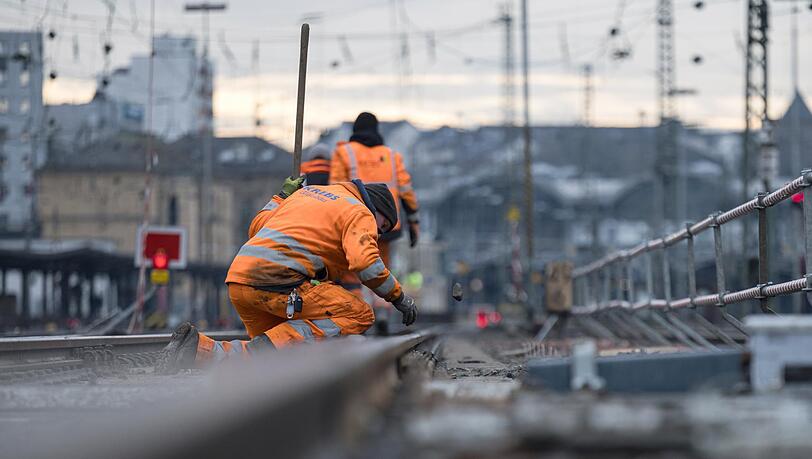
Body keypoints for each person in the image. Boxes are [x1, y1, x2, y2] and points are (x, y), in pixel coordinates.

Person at [161, 177, 418, 370]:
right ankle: (219, 354)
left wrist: (281, 196)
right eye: (381, 227)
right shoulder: (359, 211)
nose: (378, 233)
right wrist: (398, 297)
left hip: (240, 281)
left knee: (271, 360)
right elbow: (366, 264)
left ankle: (195, 350)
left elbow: (257, 227)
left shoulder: (307, 194)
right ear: (377, 210)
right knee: (359, 313)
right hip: (278, 283)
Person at [330, 113, 420, 330]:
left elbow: (335, 187)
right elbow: (407, 190)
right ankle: (381, 311)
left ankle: (357, 315)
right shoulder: (391, 155)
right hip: (387, 224)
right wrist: (414, 223)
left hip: (353, 221)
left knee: (352, 269)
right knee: (381, 266)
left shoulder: (344, 152)